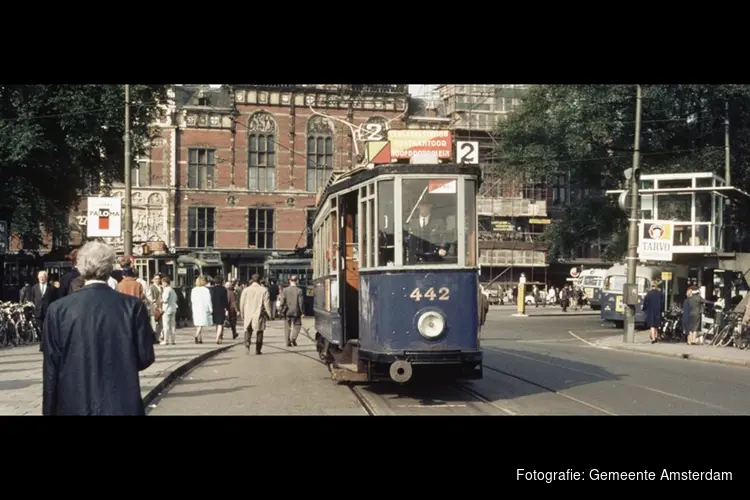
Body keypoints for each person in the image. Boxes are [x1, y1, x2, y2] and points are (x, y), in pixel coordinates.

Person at [41, 241, 155, 416]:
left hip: (73, 403)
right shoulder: (132, 307)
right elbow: (145, 356)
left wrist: (48, 410)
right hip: (121, 402)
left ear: (80, 268)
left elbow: (51, 368)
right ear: (110, 268)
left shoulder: (58, 309)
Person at [405, 196, 450, 264]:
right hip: (414, 261)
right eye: (421, 205)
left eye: (426, 205)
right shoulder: (411, 221)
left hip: (433, 259)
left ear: (430, 206)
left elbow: (445, 236)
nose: (424, 207)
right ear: (418, 207)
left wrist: (443, 248)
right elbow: (405, 238)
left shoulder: (438, 221)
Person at [240, 273, 271, 355]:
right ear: (260, 280)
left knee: (248, 329)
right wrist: (270, 314)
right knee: (260, 331)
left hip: (248, 313)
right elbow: (267, 304)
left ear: (252, 280)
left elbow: (241, 303)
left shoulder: (246, 290)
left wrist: (242, 313)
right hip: (259, 313)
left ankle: (247, 344)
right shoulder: (264, 290)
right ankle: (258, 349)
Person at [30, 270, 56, 351]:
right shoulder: (34, 288)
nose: (41, 278)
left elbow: (55, 299)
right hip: (38, 311)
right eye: (40, 277)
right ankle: (42, 344)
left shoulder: (51, 288)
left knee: (47, 329)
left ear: (46, 278)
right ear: (38, 278)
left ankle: (47, 345)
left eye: (43, 277)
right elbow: (32, 299)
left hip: (48, 311)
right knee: (40, 329)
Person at [279, 275, 305, 347]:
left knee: (287, 326)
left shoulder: (285, 290)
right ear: (296, 281)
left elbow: (282, 301)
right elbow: (301, 303)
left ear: (289, 281)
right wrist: (302, 312)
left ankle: (287, 342)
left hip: (287, 311)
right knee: (297, 325)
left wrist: (281, 310)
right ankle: (293, 338)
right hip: (296, 311)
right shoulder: (299, 290)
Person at [190, 276, 212, 344]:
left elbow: (192, 300)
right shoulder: (206, 290)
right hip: (203, 308)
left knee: (197, 323)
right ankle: (196, 335)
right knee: (201, 324)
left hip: (195, 308)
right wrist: (210, 308)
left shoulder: (194, 290)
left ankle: (200, 338)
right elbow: (208, 300)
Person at [209, 276, 229, 344]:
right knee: (220, 323)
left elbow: (210, 298)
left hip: (214, 307)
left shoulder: (212, 289)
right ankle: (218, 337)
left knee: (217, 323)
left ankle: (218, 335)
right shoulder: (224, 289)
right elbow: (225, 300)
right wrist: (226, 308)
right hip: (221, 308)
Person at [160, 276, 178, 345]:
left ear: (165, 283)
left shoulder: (166, 289)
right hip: (173, 308)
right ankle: (173, 340)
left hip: (167, 309)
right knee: (172, 325)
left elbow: (165, 299)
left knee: (166, 325)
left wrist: (162, 300)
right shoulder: (172, 290)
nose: (162, 284)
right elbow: (175, 298)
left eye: (163, 282)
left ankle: (166, 340)